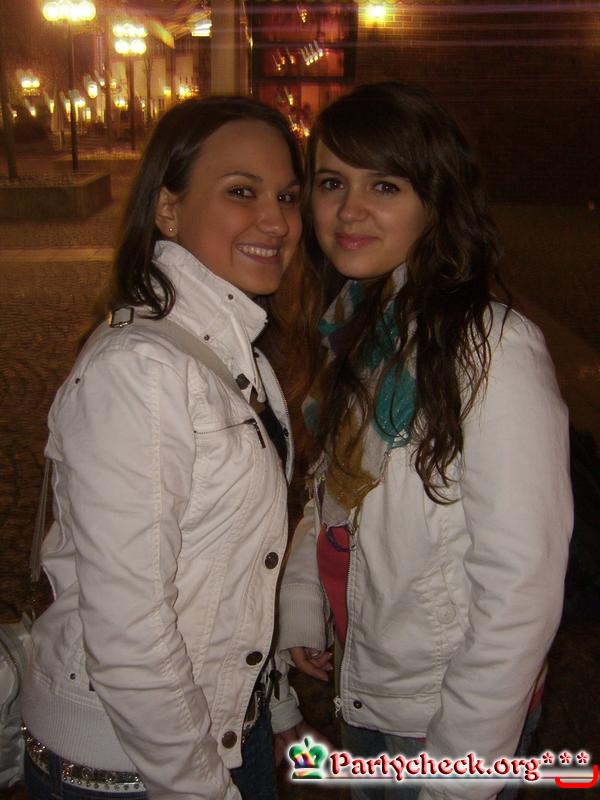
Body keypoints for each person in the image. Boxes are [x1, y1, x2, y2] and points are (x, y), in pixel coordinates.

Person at [277, 82, 573, 800]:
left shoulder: (492, 349)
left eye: (384, 185)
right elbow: (336, 491)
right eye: (331, 183)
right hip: (369, 687)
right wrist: (305, 600)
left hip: (445, 715)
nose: (349, 210)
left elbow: (522, 582)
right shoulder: (361, 321)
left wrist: (460, 772)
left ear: (435, 200)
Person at [21, 95, 305, 800]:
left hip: (223, 729)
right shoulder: (142, 371)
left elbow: (238, 565)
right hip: (136, 768)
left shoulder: (236, 351)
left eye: (287, 196)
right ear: (168, 209)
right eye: (242, 191)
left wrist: (274, 703)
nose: (277, 221)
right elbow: (130, 634)